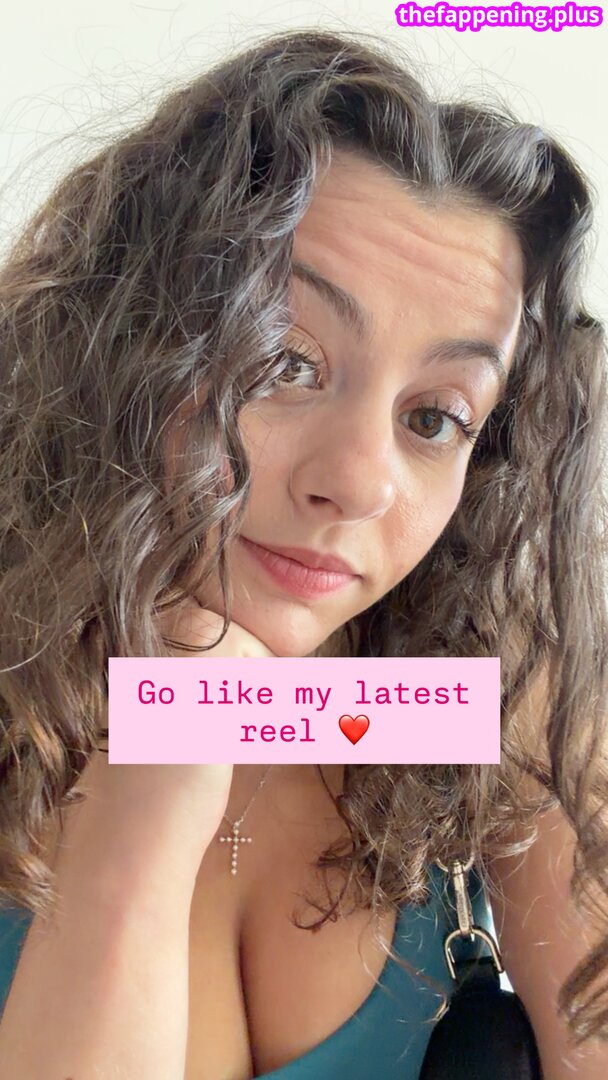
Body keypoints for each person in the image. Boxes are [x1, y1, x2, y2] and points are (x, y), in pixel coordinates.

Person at [0, 27, 607, 1080]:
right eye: (284, 361)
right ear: (123, 340)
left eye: (434, 417)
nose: (360, 483)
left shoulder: (506, 707)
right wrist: (143, 809)